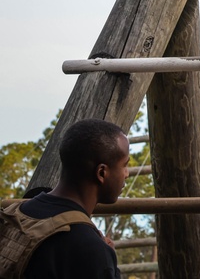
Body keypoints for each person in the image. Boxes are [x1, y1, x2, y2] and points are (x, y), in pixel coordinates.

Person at [0, 118, 129, 278]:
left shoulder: (13, 214)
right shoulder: (88, 249)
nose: (127, 173)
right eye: (124, 165)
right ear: (102, 173)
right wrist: (109, 265)